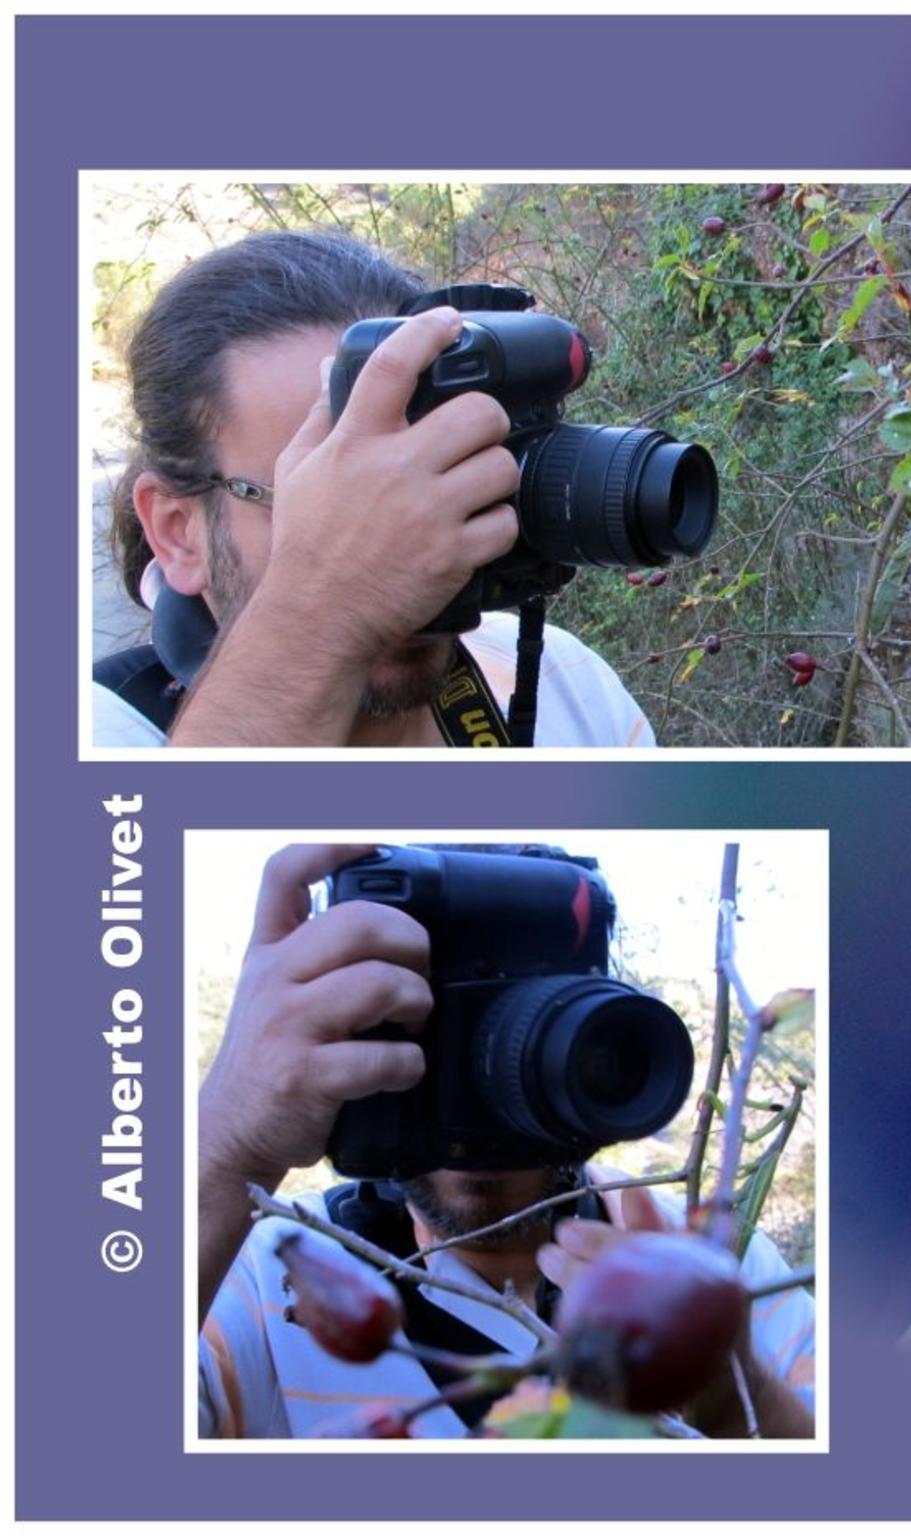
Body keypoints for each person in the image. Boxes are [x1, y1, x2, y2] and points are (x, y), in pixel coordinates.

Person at [196, 845, 815, 1438]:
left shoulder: (719, 1266)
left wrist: (735, 1401)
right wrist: (226, 1149)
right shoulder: (263, 1272)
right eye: (429, 1047)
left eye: (526, 1048)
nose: (476, 1101)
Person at [96, 231, 653, 748]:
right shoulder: (97, 734)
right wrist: (329, 612)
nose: (405, 534)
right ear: (177, 534)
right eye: (323, 495)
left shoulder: (562, 680)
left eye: (427, 470)